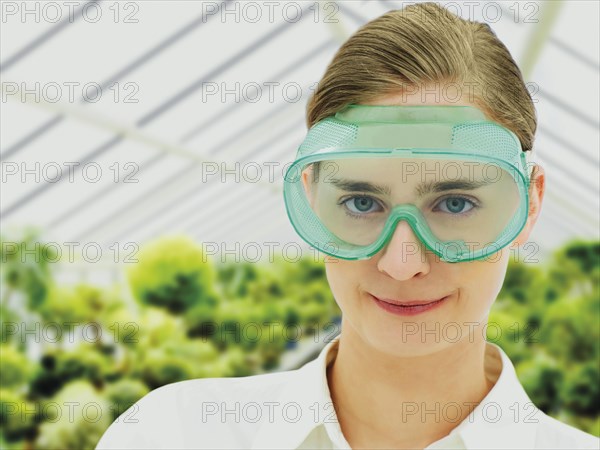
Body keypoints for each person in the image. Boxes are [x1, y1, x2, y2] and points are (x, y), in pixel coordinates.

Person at [96, 3, 600, 449]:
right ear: (312, 198)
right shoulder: (172, 435)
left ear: (529, 205)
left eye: (454, 203)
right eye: (362, 202)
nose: (402, 264)